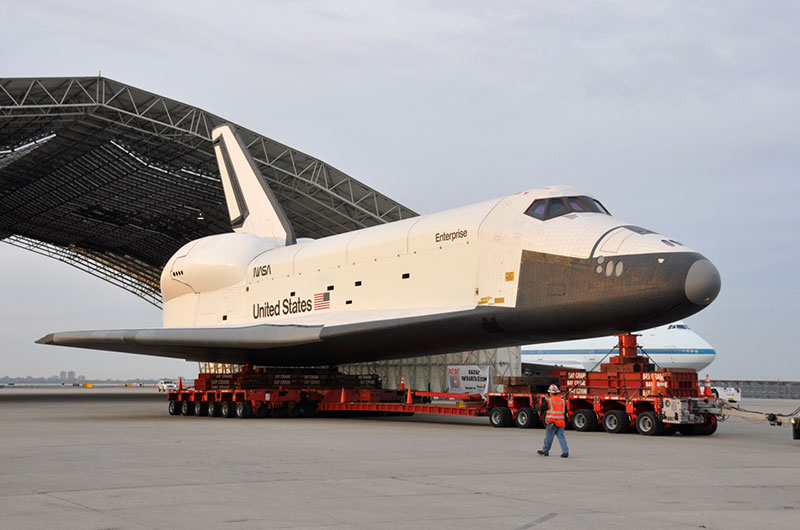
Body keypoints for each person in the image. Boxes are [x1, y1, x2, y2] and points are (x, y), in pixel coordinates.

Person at [537, 384, 569, 458]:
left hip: (552, 422)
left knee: (549, 437)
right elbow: (565, 411)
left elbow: (542, 408)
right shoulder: (562, 401)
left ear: (551, 393)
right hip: (560, 422)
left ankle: (545, 451)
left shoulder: (549, 400)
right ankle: (565, 451)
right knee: (562, 437)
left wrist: (545, 399)